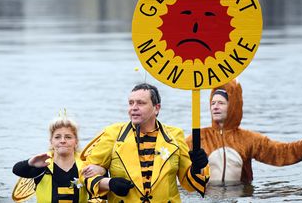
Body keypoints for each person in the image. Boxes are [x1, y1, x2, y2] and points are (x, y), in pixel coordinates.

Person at [81, 83, 210, 202]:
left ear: (156, 108)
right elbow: (84, 174)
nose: (134, 108)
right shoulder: (112, 134)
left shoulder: (175, 136)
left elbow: (190, 184)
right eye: (131, 103)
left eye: (140, 103)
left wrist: (198, 167)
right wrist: (109, 183)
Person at [185, 79, 302, 185]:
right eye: (213, 103)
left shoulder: (248, 139)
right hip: (207, 195)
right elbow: (175, 159)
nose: (215, 107)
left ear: (233, 106)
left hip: (239, 194)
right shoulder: (197, 138)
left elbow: (280, 152)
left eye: (221, 103)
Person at [12, 112, 105, 203]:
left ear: (76, 141)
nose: (63, 141)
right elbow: (17, 170)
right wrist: (30, 163)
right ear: (51, 142)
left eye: (68, 137)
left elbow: (103, 194)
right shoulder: (43, 165)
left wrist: (103, 170)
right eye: (57, 137)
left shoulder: (86, 166)